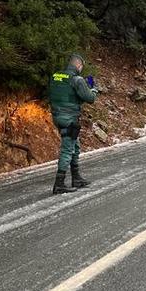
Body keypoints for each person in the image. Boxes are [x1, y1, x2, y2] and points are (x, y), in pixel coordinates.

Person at [49, 53, 97, 194]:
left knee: (75, 146)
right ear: (78, 65)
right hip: (69, 118)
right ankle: (59, 183)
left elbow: (62, 95)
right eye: (82, 67)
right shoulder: (77, 80)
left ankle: (76, 178)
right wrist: (93, 89)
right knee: (67, 149)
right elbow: (90, 98)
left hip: (57, 116)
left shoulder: (55, 76)